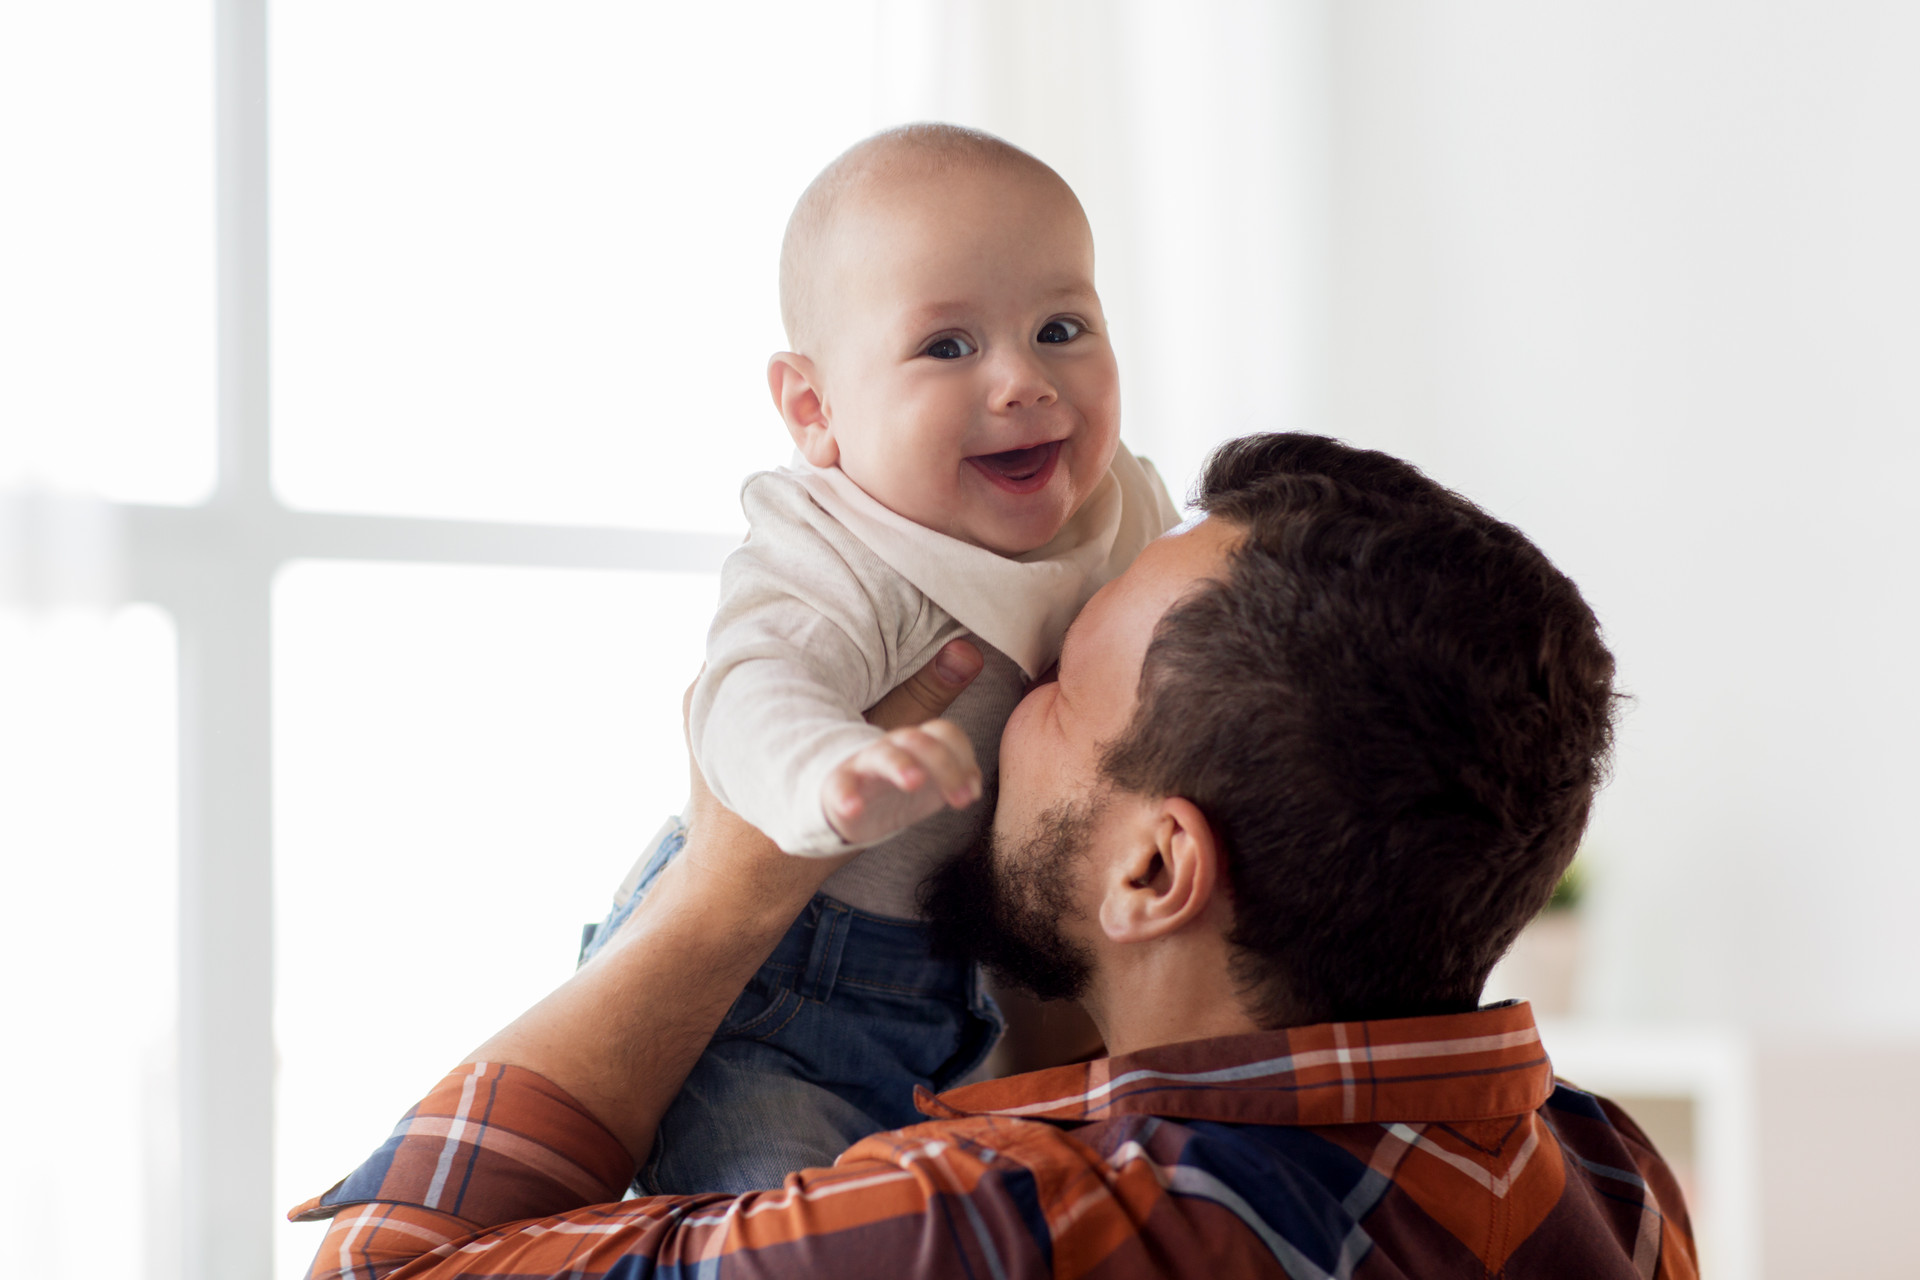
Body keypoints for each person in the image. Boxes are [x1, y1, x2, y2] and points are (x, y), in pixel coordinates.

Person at [291, 434, 1699, 1279]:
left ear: (1154, 873)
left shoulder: (999, 1233)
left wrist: (722, 888)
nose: (1007, 701)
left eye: (1062, 682)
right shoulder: (1603, 1179)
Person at [577, 122, 1176, 1194]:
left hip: (974, 993)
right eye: (948, 346)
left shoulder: (1121, 507)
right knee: (779, 1227)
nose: (1022, 382)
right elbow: (747, 689)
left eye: (1060, 326)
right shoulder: (843, 546)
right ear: (816, 410)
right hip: (772, 999)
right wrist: (823, 768)